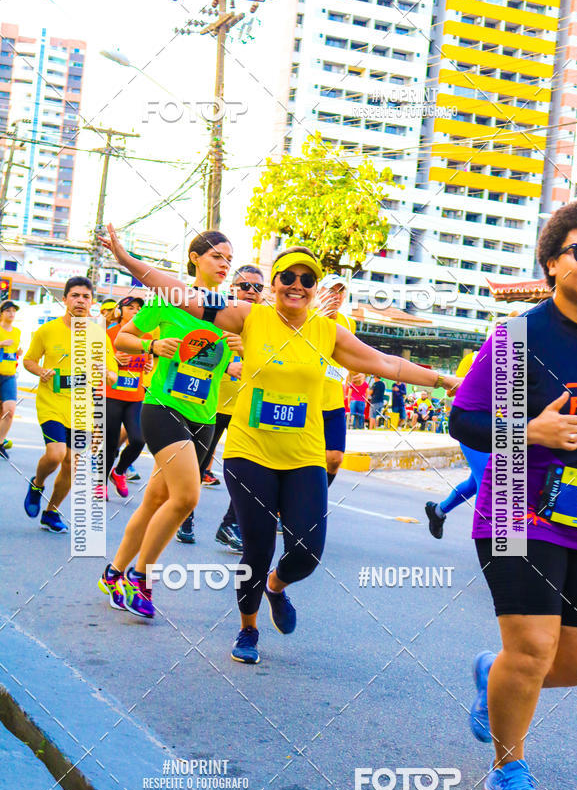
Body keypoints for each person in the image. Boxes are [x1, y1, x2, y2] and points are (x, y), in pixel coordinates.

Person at [102, 232, 460, 662]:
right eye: (286, 276)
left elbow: (386, 362)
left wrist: (443, 380)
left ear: (315, 288)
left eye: (306, 279)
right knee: (249, 543)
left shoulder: (327, 332)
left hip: (303, 455)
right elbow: (180, 294)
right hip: (247, 452)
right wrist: (126, 258)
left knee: (306, 553)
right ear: (273, 283)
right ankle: (246, 629)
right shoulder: (248, 318)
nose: (296, 284)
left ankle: (276, 586)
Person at [449, 198, 577, 790]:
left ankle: (496, 674)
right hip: (515, 505)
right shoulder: (520, 337)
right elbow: (463, 420)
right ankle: (508, 767)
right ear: (551, 264)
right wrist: (528, 433)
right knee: (536, 647)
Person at [96, 229, 233, 618]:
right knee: (187, 498)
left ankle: (114, 571)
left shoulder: (231, 314)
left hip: (204, 418)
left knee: (157, 498)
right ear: (195, 258)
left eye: (228, 259)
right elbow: (123, 337)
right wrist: (152, 346)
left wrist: (241, 356)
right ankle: (139, 578)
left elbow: (224, 369)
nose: (224, 265)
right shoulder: (168, 301)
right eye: (216, 257)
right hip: (162, 409)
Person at [176, 265, 265, 548]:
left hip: (251, 406)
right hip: (211, 401)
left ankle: (230, 525)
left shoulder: (266, 323)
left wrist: (248, 349)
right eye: (245, 286)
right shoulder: (216, 314)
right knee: (198, 465)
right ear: (232, 289)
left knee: (249, 469)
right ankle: (184, 515)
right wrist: (229, 363)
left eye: (258, 288)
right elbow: (196, 352)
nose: (251, 292)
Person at [23, 277, 117, 533]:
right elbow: (29, 361)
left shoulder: (99, 335)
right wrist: (41, 371)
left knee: (71, 464)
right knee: (55, 455)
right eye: (75, 295)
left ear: (92, 302)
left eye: (86, 297)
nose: (80, 301)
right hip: (52, 402)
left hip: (83, 410)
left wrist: (106, 373)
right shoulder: (47, 331)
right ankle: (37, 483)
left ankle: (51, 512)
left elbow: (113, 373)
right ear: (64, 299)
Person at [425, 349, 489, 539]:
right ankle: (490, 540)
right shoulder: (474, 358)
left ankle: (437, 511)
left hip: (503, 429)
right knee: (488, 480)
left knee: (475, 483)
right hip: (474, 425)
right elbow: (454, 391)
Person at [102, 296, 152, 500]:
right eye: (130, 307)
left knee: (139, 439)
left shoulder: (146, 335)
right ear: (120, 311)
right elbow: (98, 362)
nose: (136, 310)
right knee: (110, 442)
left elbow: (148, 360)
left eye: (139, 308)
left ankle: (119, 471)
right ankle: (100, 482)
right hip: (112, 394)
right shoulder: (109, 334)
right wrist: (113, 360)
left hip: (136, 396)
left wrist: (147, 365)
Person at [317, 273, 356, 485]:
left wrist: (356, 372)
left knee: (334, 458)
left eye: (341, 291)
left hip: (334, 402)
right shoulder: (308, 316)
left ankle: (315, 498)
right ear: (319, 292)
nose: (337, 296)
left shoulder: (348, 323)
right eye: (332, 290)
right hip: (307, 400)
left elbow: (351, 359)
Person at [0, 299, 22, 459]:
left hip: (9, 375)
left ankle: (0, 443)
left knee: (9, 410)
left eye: (14, 311)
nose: (11, 313)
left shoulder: (17, 332)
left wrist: (17, 353)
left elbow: (11, 353)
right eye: (8, 310)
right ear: (2, 313)